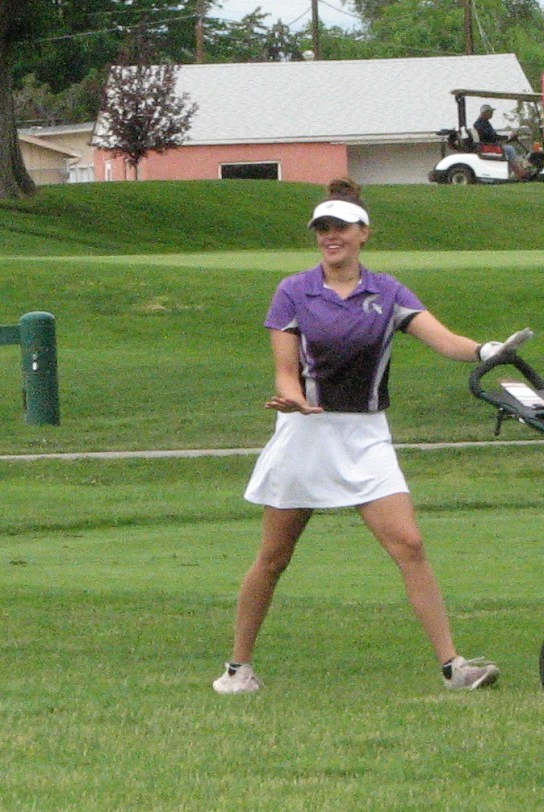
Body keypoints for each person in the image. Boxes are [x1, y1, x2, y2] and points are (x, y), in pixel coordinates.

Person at [214, 179, 507, 695]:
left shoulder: (388, 291)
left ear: (363, 233)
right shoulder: (293, 290)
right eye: (322, 228)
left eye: (341, 227)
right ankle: (238, 670)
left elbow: (444, 341)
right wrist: (295, 399)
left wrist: (485, 350)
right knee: (275, 556)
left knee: (410, 544)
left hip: (365, 435)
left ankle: (454, 668)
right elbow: (285, 370)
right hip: (306, 435)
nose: (331, 236)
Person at [471, 104, 526, 175]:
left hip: (489, 145)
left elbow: (493, 136)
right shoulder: (480, 124)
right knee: (510, 149)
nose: (492, 114)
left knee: (507, 148)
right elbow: (492, 136)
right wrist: (508, 137)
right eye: (490, 112)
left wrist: (507, 137)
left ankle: (512, 171)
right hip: (487, 147)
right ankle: (517, 171)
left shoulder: (484, 123)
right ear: (485, 113)